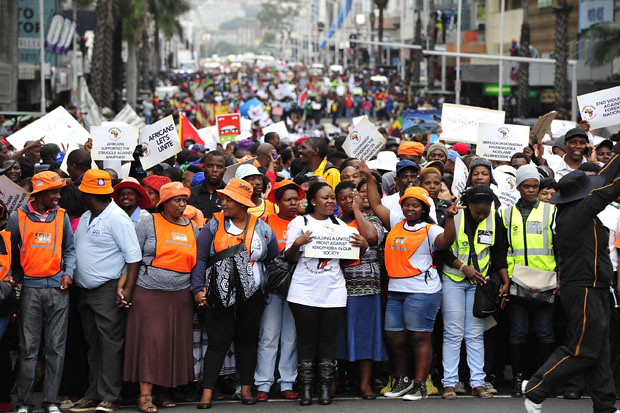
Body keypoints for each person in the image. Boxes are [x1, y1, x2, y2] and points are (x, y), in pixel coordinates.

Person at [522, 155, 620, 413]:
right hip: (583, 287)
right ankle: (536, 388)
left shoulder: (576, 210)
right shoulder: (577, 212)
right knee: (583, 349)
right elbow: (610, 187)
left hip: (594, 286)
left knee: (598, 351)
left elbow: (606, 178)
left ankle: (605, 407)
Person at [191, 178, 279, 409]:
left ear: (243, 204)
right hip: (218, 293)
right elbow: (200, 259)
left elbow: (273, 259)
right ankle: (207, 393)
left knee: (247, 341)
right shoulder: (213, 225)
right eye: (223, 198)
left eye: (229, 199)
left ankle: (247, 390)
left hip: (252, 295)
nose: (223, 203)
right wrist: (198, 288)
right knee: (218, 342)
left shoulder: (262, 228)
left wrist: (267, 286)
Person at [285, 182, 368, 406]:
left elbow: (349, 260)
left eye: (333, 197)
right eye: (326, 198)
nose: (331, 201)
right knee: (306, 340)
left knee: (328, 341)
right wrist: (296, 244)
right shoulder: (299, 222)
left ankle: (324, 388)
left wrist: (363, 246)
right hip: (303, 291)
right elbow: (289, 257)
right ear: (313, 201)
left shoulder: (342, 226)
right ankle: (306, 389)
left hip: (333, 291)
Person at [71, 170, 142, 413]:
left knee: (110, 344)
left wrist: (128, 291)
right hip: (86, 291)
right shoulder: (88, 214)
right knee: (94, 345)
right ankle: (93, 393)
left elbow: (133, 258)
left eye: (82, 192)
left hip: (108, 289)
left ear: (89, 195)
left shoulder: (117, 218)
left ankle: (110, 396)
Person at [124, 182, 197, 413]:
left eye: (184, 200)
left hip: (180, 294)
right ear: (164, 203)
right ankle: (145, 396)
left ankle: (166, 391)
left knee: (173, 344)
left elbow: (197, 262)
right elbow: (132, 255)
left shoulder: (192, 227)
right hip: (149, 291)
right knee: (150, 344)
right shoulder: (148, 221)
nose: (182, 204)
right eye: (177, 200)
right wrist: (126, 287)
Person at [6, 172, 76, 413]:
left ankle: (51, 401)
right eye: (53, 192)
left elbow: (70, 250)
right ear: (39, 194)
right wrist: (14, 274)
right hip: (30, 291)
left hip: (58, 290)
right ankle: (24, 403)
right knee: (28, 349)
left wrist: (69, 273)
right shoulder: (18, 217)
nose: (58, 196)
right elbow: (10, 250)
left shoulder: (62, 216)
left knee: (56, 348)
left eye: (59, 191)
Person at [439, 185, 509, 400]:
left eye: (485, 212)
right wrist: (463, 268)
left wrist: (505, 280)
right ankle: (449, 383)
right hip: (454, 279)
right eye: (478, 211)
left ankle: (477, 382)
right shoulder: (454, 216)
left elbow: (498, 253)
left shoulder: (495, 218)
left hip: (480, 282)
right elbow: (442, 249)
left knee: (475, 334)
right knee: (453, 333)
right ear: (468, 206)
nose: (481, 215)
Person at [499, 165, 557, 397]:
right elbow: (501, 250)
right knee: (518, 332)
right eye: (526, 186)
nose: (531, 190)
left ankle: (547, 379)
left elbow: (559, 247)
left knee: (545, 332)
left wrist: (560, 277)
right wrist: (505, 279)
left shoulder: (551, 211)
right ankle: (518, 379)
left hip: (546, 280)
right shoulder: (505, 213)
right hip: (517, 281)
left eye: (534, 186)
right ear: (518, 187)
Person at [334, 181, 387, 400]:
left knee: (366, 336)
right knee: (336, 338)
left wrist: (357, 211)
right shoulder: (333, 223)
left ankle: (365, 384)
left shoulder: (372, 219)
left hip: (366, 287)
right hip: (337, 287)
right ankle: (333, 382)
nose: (348, 201)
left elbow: (372, 237)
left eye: (352, 197)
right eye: (343, 199)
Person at [254, 180, 305, 402]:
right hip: (273, 289)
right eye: (288, 200)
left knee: (291, 337)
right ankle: (263, 383)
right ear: (278, 202)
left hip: (299, 289)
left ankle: (287, 382)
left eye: (296, 199)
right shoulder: (265, 222)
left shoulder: (306, 222)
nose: (293, 203)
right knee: (268, 336)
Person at [188, 151, 226, 220]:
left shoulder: (229, 196)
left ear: (224, 170)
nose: (214, 170)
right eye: (210, 166)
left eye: (219, 167)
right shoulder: (191, 194)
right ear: (203, 168)